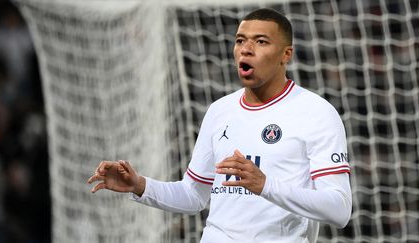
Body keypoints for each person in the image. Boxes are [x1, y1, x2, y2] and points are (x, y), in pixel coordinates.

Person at [88, 8, 352, 243]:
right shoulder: (220, 111)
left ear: (286, 55)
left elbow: (339, 209)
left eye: (261, 41)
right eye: (240, 41)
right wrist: (140, 185)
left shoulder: (316, 113)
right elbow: (193, 195)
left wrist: (265, 185)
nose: (246, 49)